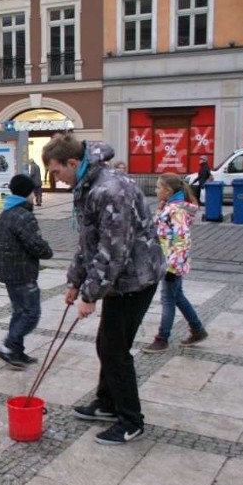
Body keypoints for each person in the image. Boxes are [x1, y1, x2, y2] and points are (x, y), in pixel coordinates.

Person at [42, 135, 165, 445]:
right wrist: (74, 282)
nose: (55, 179)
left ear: (72, 163)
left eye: (56, 172)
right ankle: (107, 404)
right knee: (106, 344)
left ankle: (130, 420)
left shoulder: (110, 190)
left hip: (136, 279)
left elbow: (114, 250)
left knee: (114, 349)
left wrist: (89, 295)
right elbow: (88, 242)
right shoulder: (88, 186)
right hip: (120, 279)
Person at [143, 174, 208, 353]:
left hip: (172, 264)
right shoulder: (168, 207)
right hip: (167, 261)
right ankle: (197, 330)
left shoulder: (176, 211)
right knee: (177, 296)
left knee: (168, 299)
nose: (155, 190)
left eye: (158, 187)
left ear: (168, 191)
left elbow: (182, 240)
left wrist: (173, 267)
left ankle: (162, 338)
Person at [0, 174, 54, 370]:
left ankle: (16, 351)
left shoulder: (6, 213)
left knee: (19, 312)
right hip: (23, 273)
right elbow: (35, 244)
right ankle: (9, 346)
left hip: (9, 273)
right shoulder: (23, 215)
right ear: (29, 192)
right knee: (31, 313)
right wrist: (47, 251)